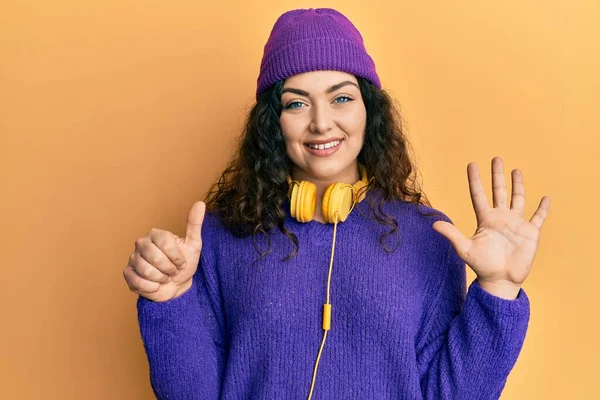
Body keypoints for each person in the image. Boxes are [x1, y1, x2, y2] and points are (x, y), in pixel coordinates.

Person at [123, 7, 551, 399]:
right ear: (273, 123)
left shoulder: (430, 236)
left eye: (341, 97)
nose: (321, 122)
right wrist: (169, 300)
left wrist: (498, 289)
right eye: (296, 103)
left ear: (370, 110)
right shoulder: (219, 237)